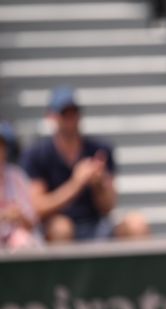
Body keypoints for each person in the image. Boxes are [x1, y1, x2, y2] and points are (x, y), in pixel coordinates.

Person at [20, 86, 149, 243]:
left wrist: (99, 184)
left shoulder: (100, 149)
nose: (70, 118)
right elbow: (38, 207)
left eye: (74, 112)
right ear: (51, 116)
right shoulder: (37, 154)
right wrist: (76, 184)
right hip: (58, 226)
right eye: (64, 113)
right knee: (62, 227)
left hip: (96, 224)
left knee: (137, 224)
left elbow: (108, 207)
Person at [0, 122, 39, 249]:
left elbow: (31, 223)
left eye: (1, 145)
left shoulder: (16, 176)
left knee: (25, 242)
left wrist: (18, 216)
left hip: (14, 242)